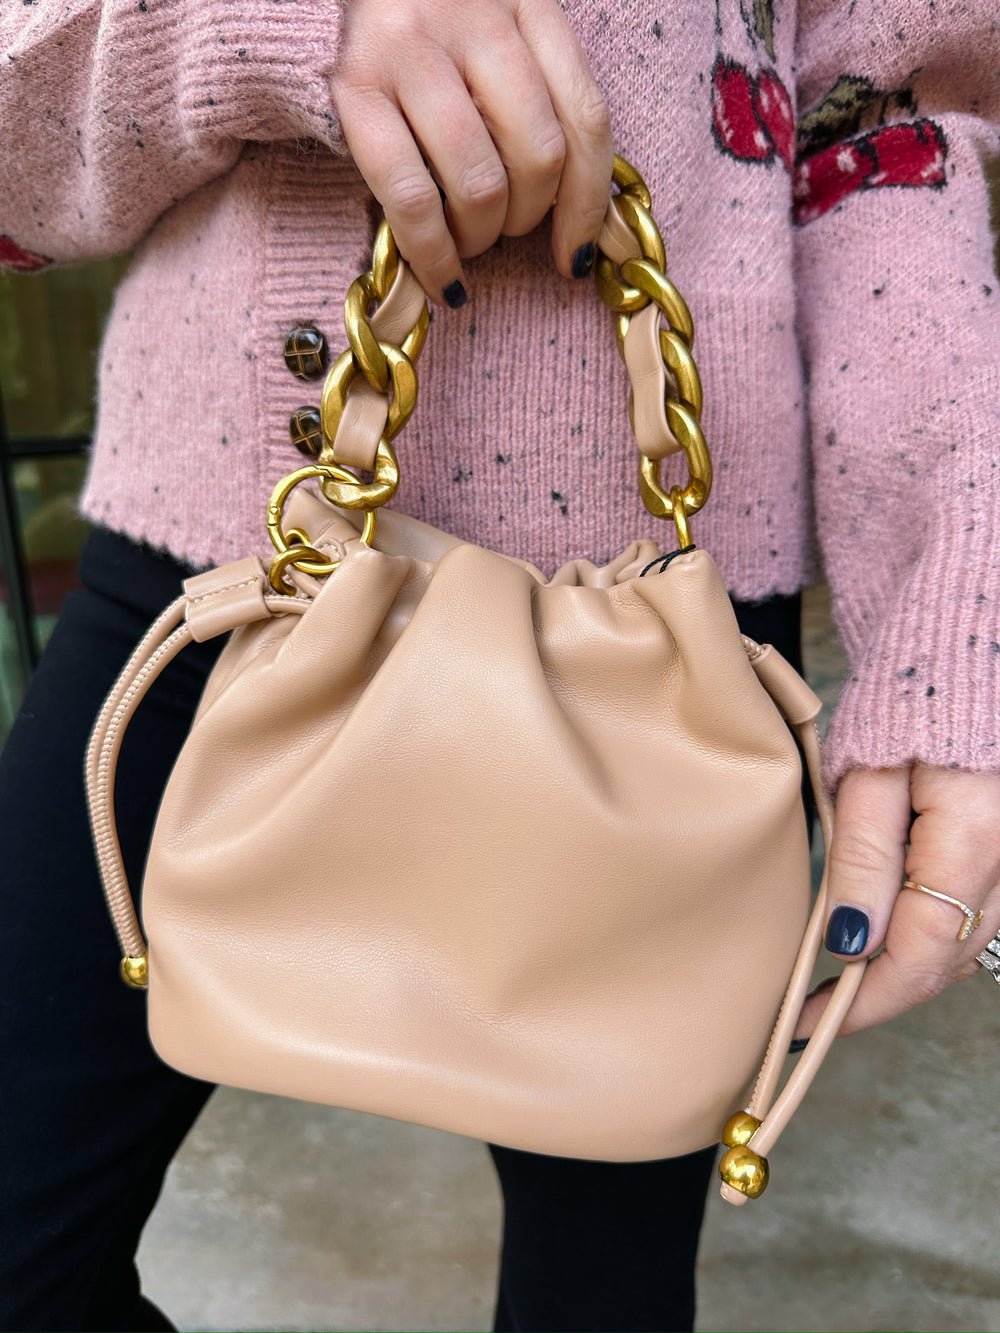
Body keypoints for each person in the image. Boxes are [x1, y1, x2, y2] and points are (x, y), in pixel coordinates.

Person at [1, 1, 998, 1329]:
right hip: (226, 572)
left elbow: (878, 125)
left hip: (666, 653)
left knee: (601, 1294)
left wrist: (945, 616)